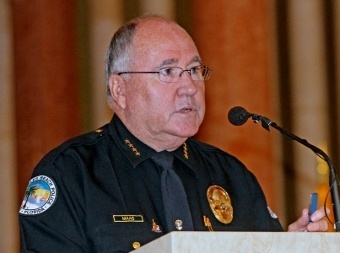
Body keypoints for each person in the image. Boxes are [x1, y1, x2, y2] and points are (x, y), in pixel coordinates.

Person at [19, 15, 329, 252]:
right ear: (120, 89)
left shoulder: (232, 176)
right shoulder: (69, 176)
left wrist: (292, 246)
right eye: (168, 72)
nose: (190, 87)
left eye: (195, 70)